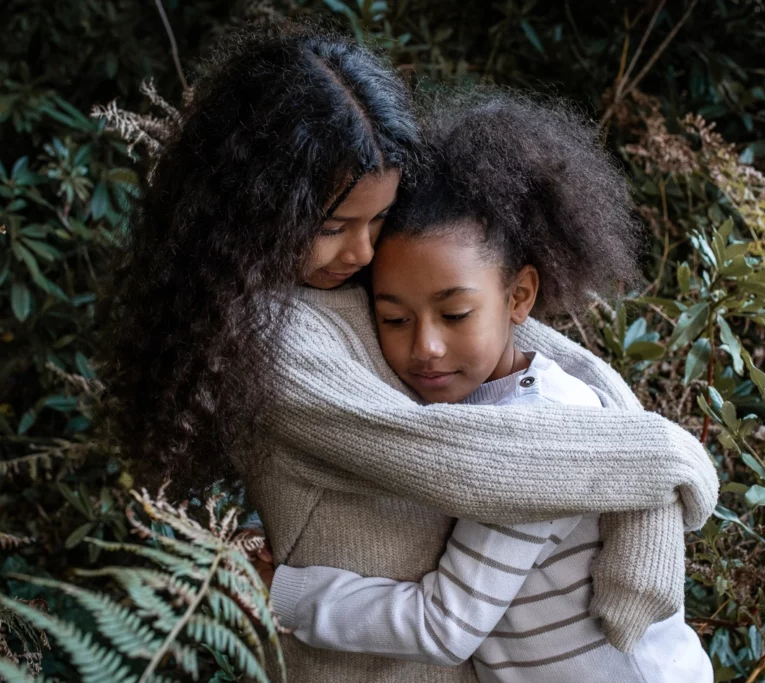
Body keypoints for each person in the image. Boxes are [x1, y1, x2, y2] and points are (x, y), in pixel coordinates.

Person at [98, 24, 718, 683]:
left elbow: (520, 336)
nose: (362, 252)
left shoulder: (340, 276)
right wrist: (662, 457)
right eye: (336, 226)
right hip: (358, 663)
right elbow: (451, 454)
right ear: (260, 206)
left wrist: (642, 465)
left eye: (378, 220)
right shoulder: (269, 339)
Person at [266, 94, 713, 682]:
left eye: (454, 316)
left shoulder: (531, 440)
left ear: (520, 297)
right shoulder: (495, 398)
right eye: (394, 320)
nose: (424, 347)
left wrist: (279, 591)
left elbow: (444, 625)